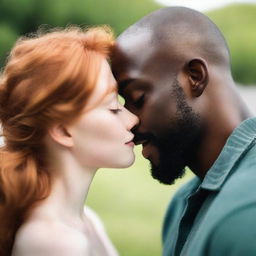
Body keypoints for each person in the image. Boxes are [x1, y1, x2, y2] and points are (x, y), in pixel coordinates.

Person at [111, 6, 256, 256]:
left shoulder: (245, 213)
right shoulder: (180, 205)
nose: (129, 122)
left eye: (137, 97)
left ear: (194, 77)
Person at [0, 26, 138, 256]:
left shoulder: (87, 221)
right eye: (114, 107)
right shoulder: (55, 243)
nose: (133, 119)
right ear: (63, 131)